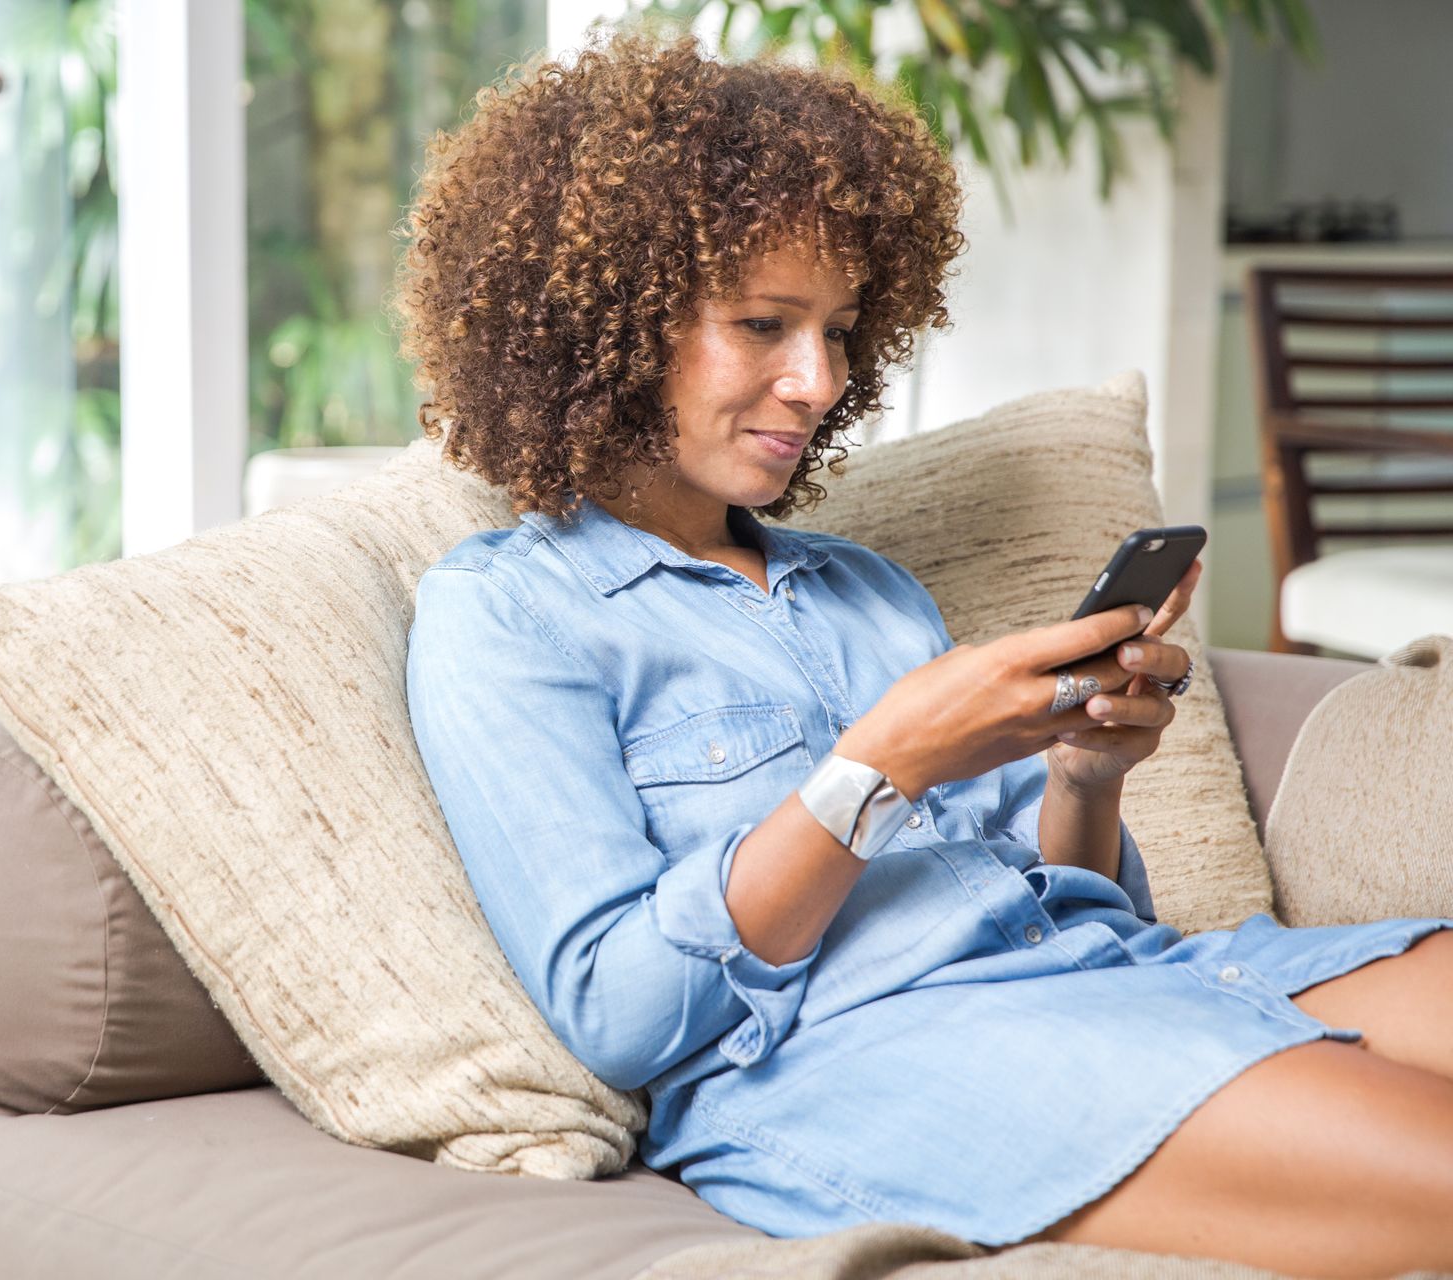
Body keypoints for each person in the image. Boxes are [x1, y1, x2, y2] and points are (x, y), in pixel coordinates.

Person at [392, 28, 1453, 1279]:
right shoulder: (509, 611)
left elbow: (1074, 902)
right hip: (869, 1054)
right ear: (605, 323)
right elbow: (619, 1012)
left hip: (1101, 971)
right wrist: (874, 769)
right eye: (763, 324)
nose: (818, 379)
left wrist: (1084, 773)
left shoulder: (865, 591)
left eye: (840, 332)